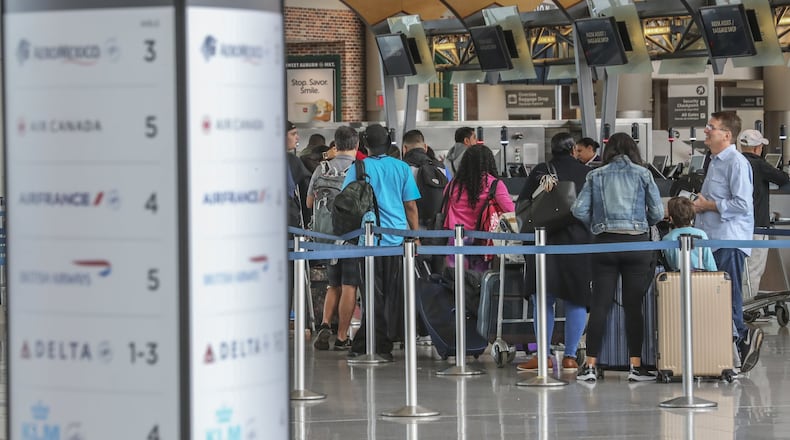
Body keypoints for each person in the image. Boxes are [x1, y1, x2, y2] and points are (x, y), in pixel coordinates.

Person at [571, 132, 664, 383]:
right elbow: (657, 212)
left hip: (604, 245)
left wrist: (598, 225)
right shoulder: (643, 174)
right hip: (636, 244)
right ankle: (636, 366)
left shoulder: (595, 175)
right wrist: (642, 223)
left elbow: (578, 209)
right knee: (634, 307)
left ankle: (590, 365)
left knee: (600, 304)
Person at [344, 123, 421, 360]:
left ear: (365, 144)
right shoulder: (401, 167)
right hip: (397, 240)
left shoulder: (358, 168)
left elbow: (346, 202)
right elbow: (410, 206)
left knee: (370, 295)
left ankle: (371, 343)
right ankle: (386, 339)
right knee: (393, 294)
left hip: (368, 240)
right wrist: (414, 236)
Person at [516, 132, 592, 372]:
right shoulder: (586, 173)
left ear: (552, 150)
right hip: (578, 243)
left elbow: (523, 205)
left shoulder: (541, 171)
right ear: (573, 150)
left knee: (543, 299)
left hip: (543, 242)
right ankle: (570, 356)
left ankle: (543, 356)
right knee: (576, 298)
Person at [694, 112, 762, 373]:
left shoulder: (736, 162)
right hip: (712, 240)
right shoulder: (714, 161)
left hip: (729, 239)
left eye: (711, 127)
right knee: (717, 297)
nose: (706, 131)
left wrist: (707, 205)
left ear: (727, 135)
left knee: (728, 297)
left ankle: (741, 341)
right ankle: (727, 347)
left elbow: (743, 204)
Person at [307, 126, 361, 350]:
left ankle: (325, 324)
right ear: (356, 146)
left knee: (333, 285)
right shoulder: (359, 168)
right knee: (350, 286)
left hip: (326, 237)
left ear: (335, 145)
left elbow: (310, 203)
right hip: (352, 236)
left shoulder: (322, 168)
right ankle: (341, 337)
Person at [443, 145, 514, 273]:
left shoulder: (453, 184)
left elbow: (445, 209)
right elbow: (511, 210)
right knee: (479, 282)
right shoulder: (494, 184)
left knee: (455, 281)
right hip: (482, 239)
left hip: (455, 239)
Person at [738, 129, 789, 297]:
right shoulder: (759, 164)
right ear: (757, 148)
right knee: (753, 268)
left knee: (739, 268)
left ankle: (735, 307)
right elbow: (783, 179)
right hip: (757, 225)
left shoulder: (735, 162)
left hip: (736, 227)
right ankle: (747, 307)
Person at [662, 197, 717, 272]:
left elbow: (671, 263)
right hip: (701, 277)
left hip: (677, 278)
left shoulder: (667, 238)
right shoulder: (701, 234)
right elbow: (709, 261)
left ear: (671, 219)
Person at [286, 121, 312, 228]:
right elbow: (305, 190)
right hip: (289, 219)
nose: (297, 138)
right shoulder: (292, 160)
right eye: (293, 134)